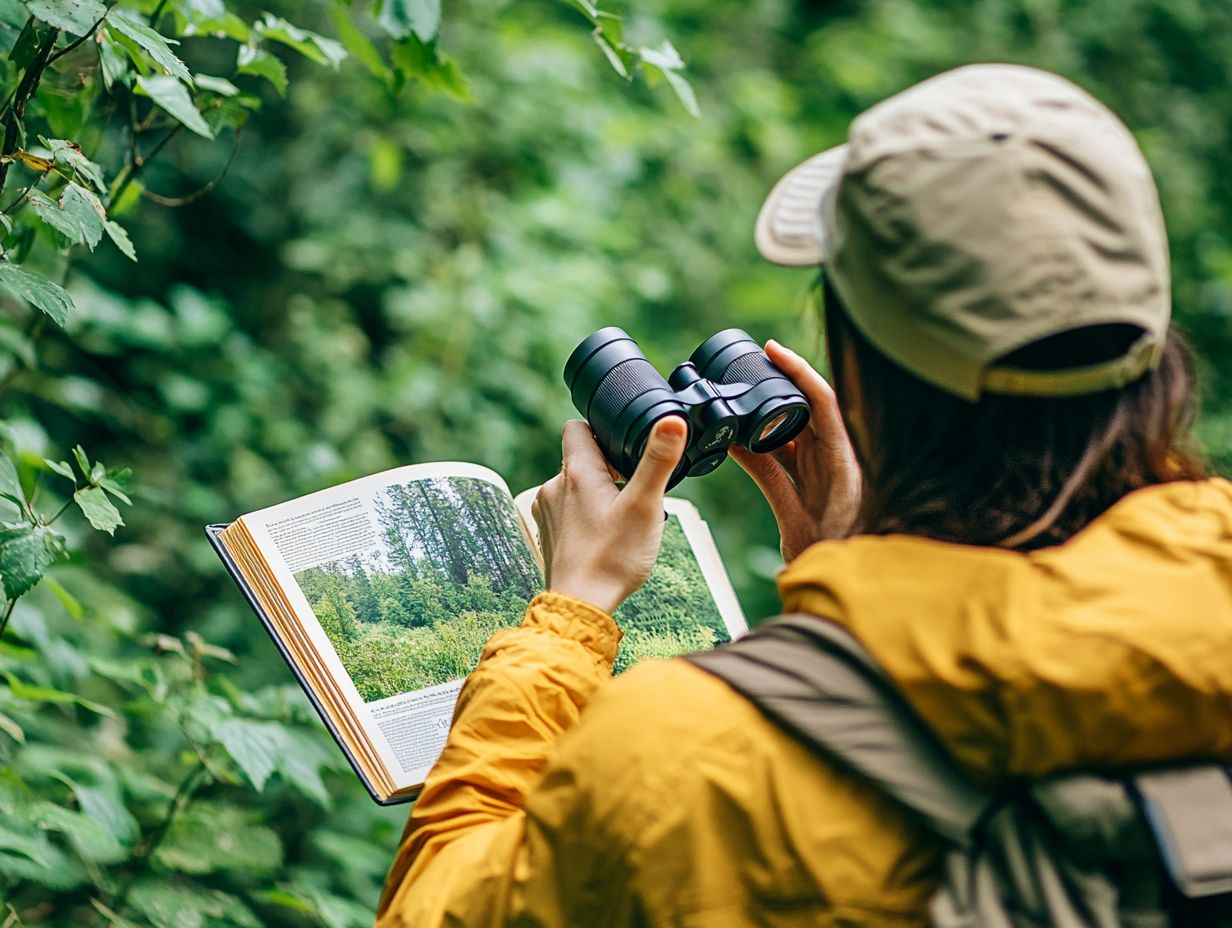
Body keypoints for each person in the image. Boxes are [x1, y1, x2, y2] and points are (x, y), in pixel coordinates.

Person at [376, 64, 1232, 927]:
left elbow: (435, 909)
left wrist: (569, 614)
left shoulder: (693, 760)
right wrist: (863, 592)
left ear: (858, 377)